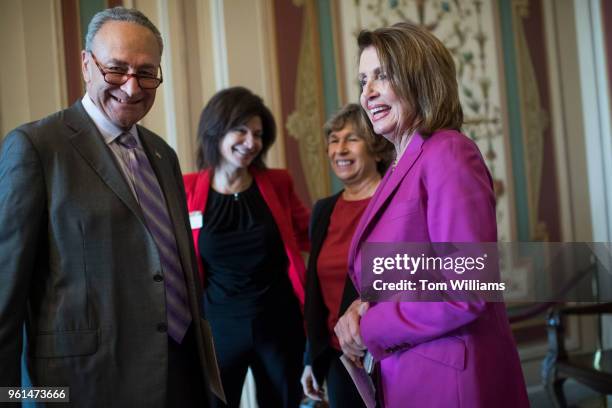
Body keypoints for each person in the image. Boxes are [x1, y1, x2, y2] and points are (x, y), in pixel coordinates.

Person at [0, 7, 213, 407]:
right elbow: (4, 296)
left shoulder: (163, 155)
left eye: (146, 73)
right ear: (86, 65)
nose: (132, 88)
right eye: (116, 69)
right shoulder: (37, 148)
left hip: (181, 377)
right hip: (82, 388)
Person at [334, 22, 529, 407]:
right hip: (408, 375)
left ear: (419, 79)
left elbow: (469, 288)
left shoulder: (449, 153)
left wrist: (370, 324)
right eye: (362, 80)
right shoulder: (398, 166)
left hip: (451, 383)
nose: (367, 93)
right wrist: (361, 308)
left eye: (381, 76)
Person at [183, 86, 310, 408]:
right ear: (216, 130)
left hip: (280, 324)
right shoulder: (186, 189)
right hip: (219, 329)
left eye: (257, 133)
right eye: (240, 131)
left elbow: (313, 235)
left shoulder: (278, 182)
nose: (251, 142)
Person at [300, 104, 393, 407]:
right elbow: (315, 291)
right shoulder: (323, 210)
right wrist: (310, 357)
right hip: (338, 357)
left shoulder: (393, 202)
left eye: (352, 139)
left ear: (377, 149)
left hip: (387, 352)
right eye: (333, 139)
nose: (339, 148)